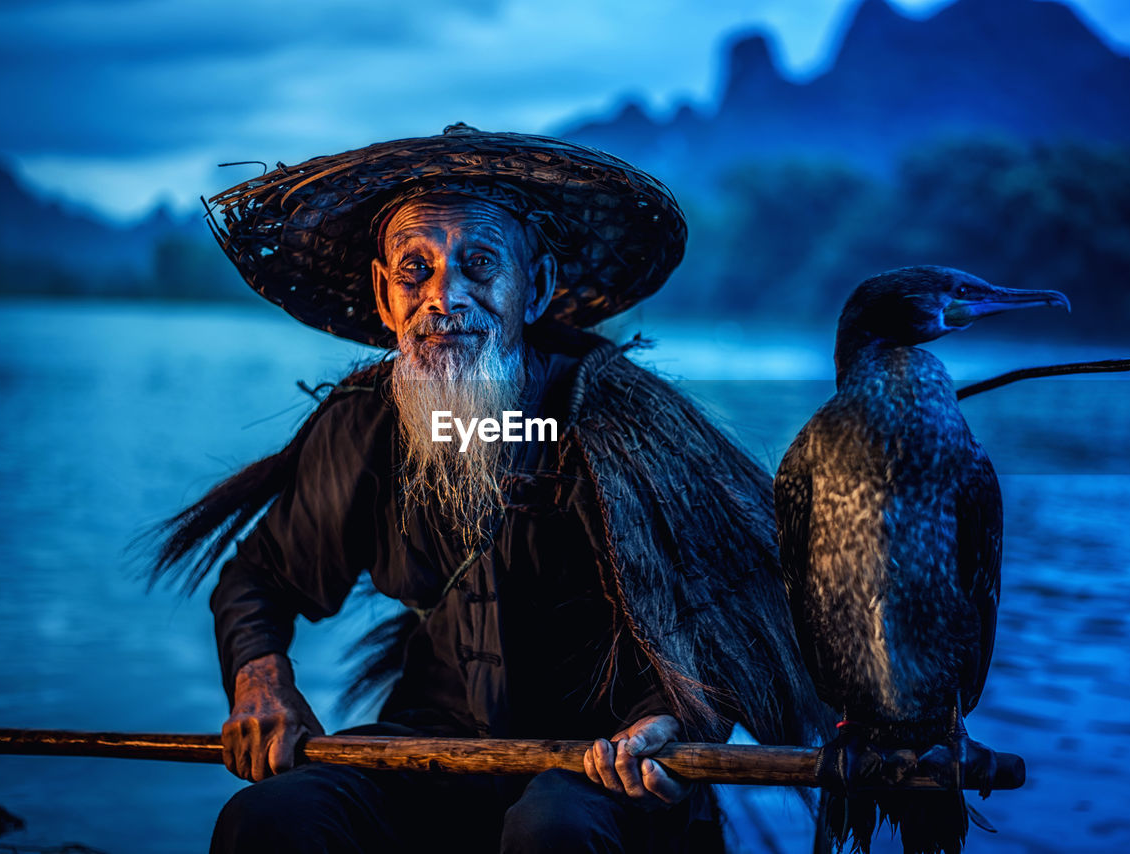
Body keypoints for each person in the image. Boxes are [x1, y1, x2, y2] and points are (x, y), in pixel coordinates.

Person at [153, 124, 830, 853]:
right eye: (416, 270)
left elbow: (737, 608)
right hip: (430, 751)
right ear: (385, 297)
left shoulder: (628, 425)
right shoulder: (364, 428)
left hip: (606, 765)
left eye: (480, 265)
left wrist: (675, 722)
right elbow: (262, 579)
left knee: (552, 831)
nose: (445, 298)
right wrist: (262, 680)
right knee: (271, 820)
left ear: (533, 288)